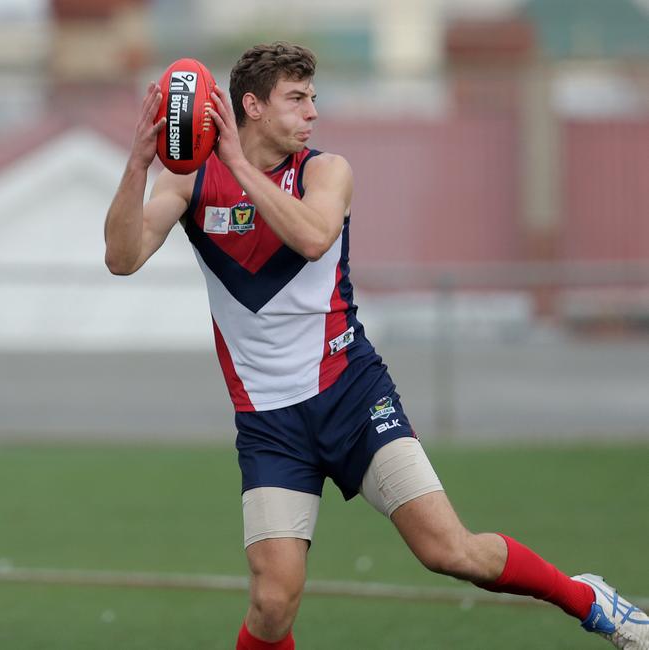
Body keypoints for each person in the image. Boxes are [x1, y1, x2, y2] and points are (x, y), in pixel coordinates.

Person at [104, 42, 648, 650]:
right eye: (297, 98)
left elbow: (313, 236)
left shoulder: (325, 170)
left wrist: (237, 162)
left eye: (313, 97)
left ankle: (590, 600)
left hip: (353, 397)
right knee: (272, 601)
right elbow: (121, 259)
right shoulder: (188, 184)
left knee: (450, 551)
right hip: (269, 422)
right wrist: (137, 165)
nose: (313, 111)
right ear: (251, 106)